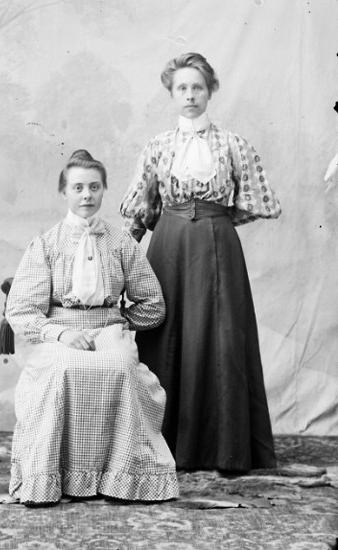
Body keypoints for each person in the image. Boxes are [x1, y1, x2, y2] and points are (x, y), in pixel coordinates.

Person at [120, 53, 281, 472]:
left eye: (197, 87)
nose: (190, 95)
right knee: (165, 337)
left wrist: (212, 222)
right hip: (168, 250)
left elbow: (253, 203)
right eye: (182, 88)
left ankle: (225, 449)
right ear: (172, 94)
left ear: (211, 91)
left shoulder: (234, 145)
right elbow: (140, 211)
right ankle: (160, 446)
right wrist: (117, 261)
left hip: (217, 247)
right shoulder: (158, 145)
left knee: (222, 339)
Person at [6, 150, 179, 506]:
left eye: (94, 187)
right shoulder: (46, 244)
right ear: (64, 192)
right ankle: (49, 477)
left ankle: (121, 478)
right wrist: (62, 333)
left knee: (121, 366)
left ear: (103, 190)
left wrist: (117, 324)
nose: (87, 195)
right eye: (78, 187)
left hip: (109, 329)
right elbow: (21, 310)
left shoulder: (121, 242)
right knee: (62, 368)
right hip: (59, 331)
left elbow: (153, 304)